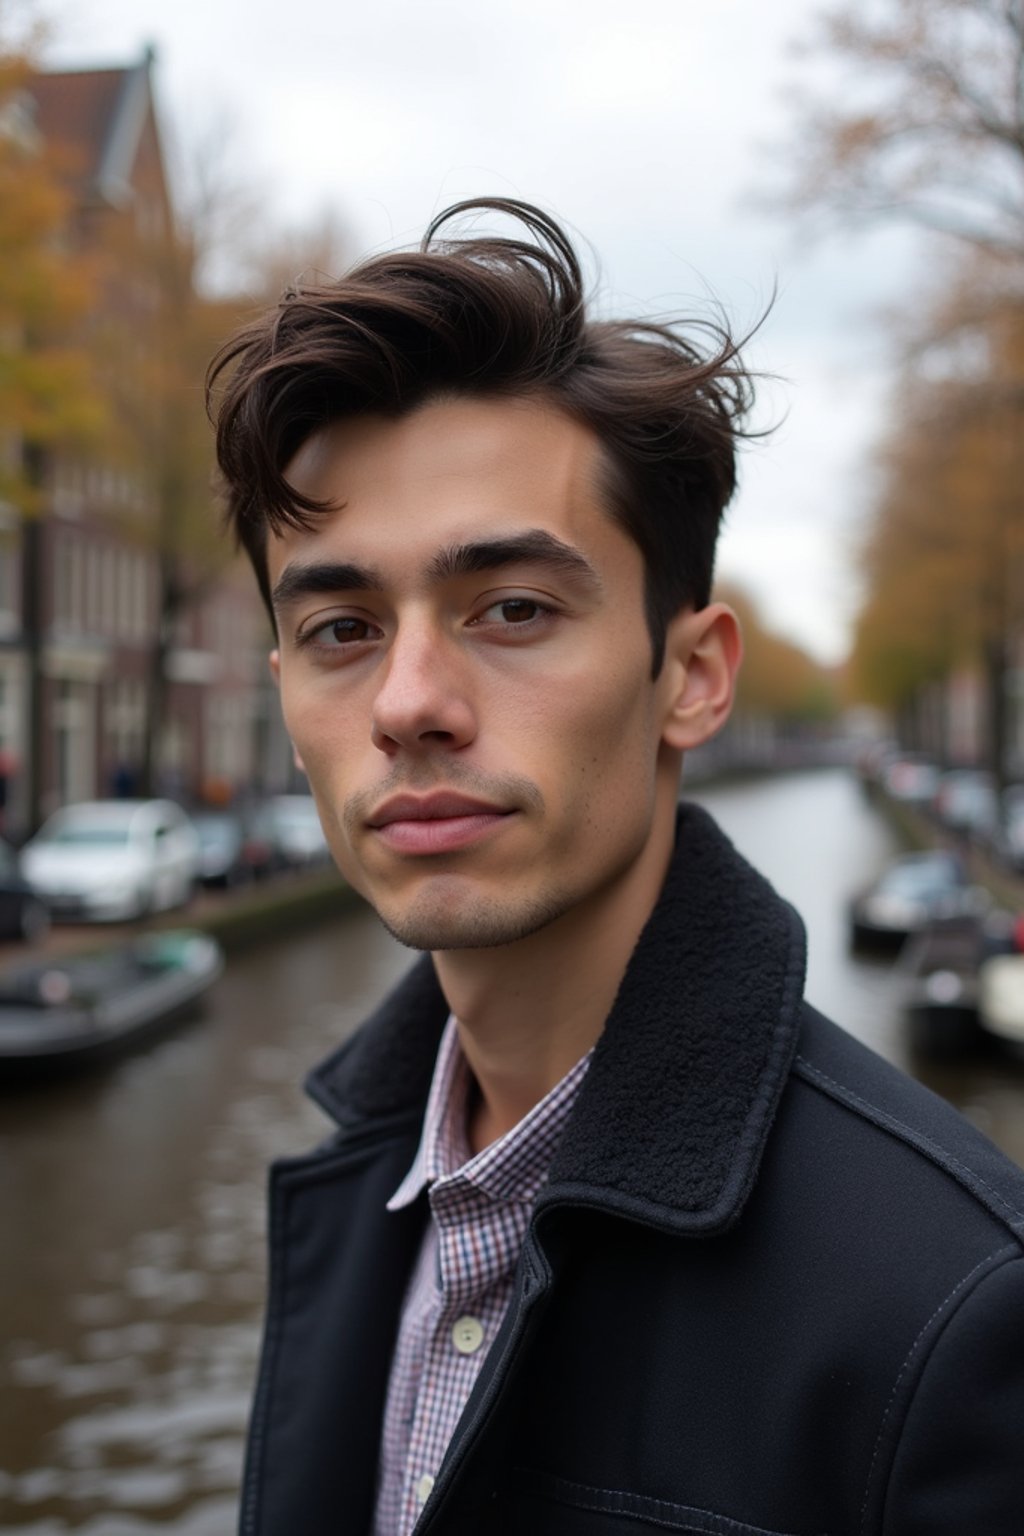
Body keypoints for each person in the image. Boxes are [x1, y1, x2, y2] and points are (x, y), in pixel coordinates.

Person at [208, 200, 1024, 1536]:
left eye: (513, 609)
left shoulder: (956, 1314)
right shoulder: (357, 1182)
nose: (409, 702)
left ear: (690, 677)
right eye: (343, 626)